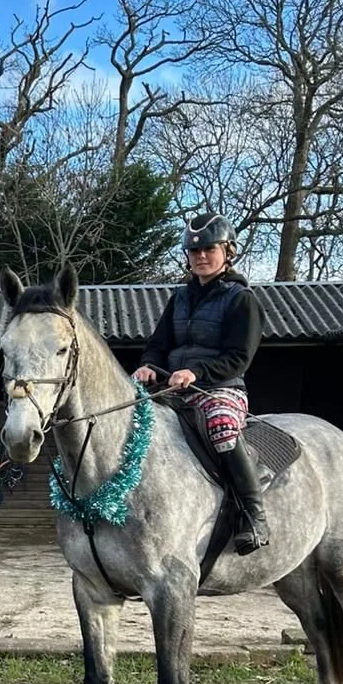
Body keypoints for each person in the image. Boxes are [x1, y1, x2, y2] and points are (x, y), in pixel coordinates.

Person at [132, 211, 269, 554]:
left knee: (222, 427)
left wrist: (197, 373)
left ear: (228, 251)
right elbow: (158, 344)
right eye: (194, 252)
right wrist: (149, 364)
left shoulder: (242, 300)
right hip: (172, 387)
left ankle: (253, 514)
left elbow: (240, 357)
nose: (201, 257)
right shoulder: (179, 298)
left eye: (209, 249)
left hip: (220, 388)